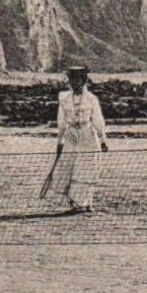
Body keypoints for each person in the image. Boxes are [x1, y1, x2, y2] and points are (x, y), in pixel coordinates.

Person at [41, 64, 110, 213]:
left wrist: (103, 140)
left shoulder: (92, 99)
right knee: (68, 168)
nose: (74, 83)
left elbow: (98, 120)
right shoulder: (64, 99)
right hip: (71, 135)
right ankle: (74, 203)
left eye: (77, 80)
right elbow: (62, 123)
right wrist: (60, 142)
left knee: (86, 169)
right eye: (72, 80)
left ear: (83, 80)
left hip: (88, 135)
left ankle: (86, 203)